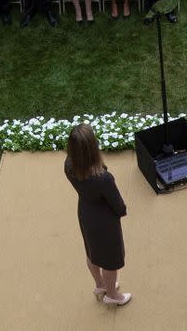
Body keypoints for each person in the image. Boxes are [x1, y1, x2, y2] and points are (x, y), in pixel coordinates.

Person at [64, 124, 131, 307]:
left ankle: (100, 285)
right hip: (104, 222)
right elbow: (118, 206)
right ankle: (112, 295)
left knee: (92, 253)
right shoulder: (103, 178)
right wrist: (122, 211)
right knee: (111, 261)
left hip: (86, 213)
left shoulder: (69, 165)